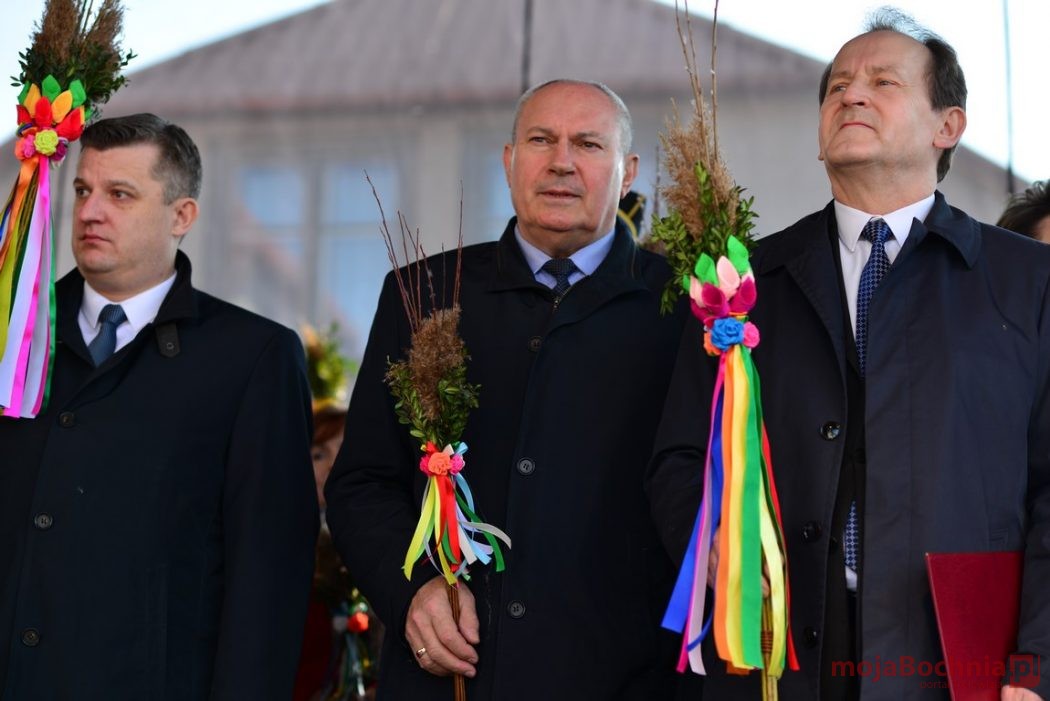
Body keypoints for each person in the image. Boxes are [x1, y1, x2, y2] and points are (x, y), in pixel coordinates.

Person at [647, 10, 1049, 701]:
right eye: (836, 86)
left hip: (958, 661)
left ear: (947, 125)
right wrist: (718, 543)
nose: (851, 95)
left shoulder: (1027, 282)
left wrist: (1036, 663)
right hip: (779, 653)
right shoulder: (742, 284)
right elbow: (680, 458)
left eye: (883, 82)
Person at [325, 79, 688, 699]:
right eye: (541, 140)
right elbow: (362, 484)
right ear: (509, 160)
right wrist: (410, 592)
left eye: (588, 144)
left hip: (624, 677)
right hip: (452, 673)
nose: (562, 162)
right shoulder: (425, 293)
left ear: (628, 172)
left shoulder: (687, 306)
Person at [0, 113, 318, 699]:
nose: (91, 212)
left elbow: (267, 578)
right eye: (83, 190)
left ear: (181, 216)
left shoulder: (252, 357)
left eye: (120, 194)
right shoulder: (12, 334)